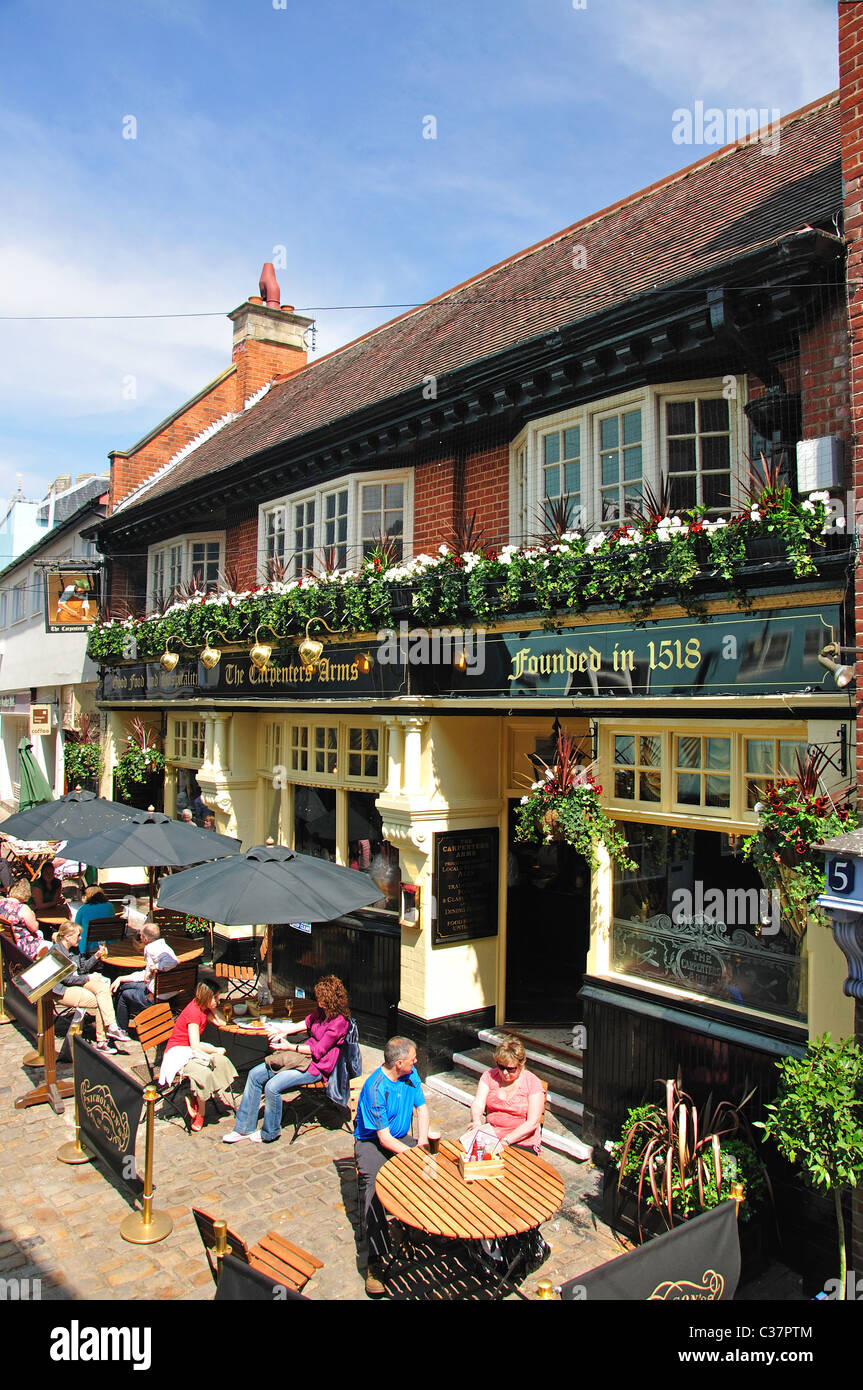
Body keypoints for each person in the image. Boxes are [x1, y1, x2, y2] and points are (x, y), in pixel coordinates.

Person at [223, 975, 351, 1145]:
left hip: (316, 1067)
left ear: (331, 1000)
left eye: (322, 999)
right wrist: (284, 1030)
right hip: (301, 1057)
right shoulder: (321, 1012)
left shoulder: (339, 1022)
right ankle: (243, 1128)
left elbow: (319, 1050)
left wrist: (289, 1046)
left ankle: (270, 1131)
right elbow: (306, 1023)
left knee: (272, 1086)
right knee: (254, 1075)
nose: (318, 1002)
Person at [354, 1036, 429, 1296]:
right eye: (412, 1059)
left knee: (432, 1173)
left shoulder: (412, 1074)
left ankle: (415, 1225)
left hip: (401, 1139)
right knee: (373, 1190)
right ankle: (375, 1260)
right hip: (373, 1142)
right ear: (399, 1063)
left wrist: (421, 1144)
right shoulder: (376, 1088)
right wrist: (414, 1155)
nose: (416, 1062)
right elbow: (384, 1138)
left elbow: (422, 1108)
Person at [158, 982, 238, 1132]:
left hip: (190, 1051)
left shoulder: (203, 1008)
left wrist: (213, 1008)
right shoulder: (193, 1012)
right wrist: (214, 1049)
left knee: (222, 1062)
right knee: (204, 1073)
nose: (218, 1001)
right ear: (206, 997)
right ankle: (201, 1112)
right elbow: (195, 1045)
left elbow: (222, 1022)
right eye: (215, 998)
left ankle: (195, 1097)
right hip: (178, 1053)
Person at [52, 920, 127, 1053]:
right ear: (68, 937)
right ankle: (102, 1041)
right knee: (100, 1001)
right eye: (78, 935)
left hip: (78, 981)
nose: (80, 938)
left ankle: (112, 1026)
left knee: (102, 989)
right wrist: (88, 978)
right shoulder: (56, 952)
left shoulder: (74, 949)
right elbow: (67, 979)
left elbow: (82, 968)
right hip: (62, 989)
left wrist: (96, 956)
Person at [468, 1038, 544, 1154]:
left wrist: (506, 1141)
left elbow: (532, 1122)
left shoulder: (532, 1082)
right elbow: (478, 1102)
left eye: (510, 1069)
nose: (504, 1073)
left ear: (521, 1065)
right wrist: (477, 1120)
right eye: (501, 1067)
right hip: (491, 1137)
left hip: (521, 1141)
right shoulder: (489, 1076)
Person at [110, 920, 180, 1031]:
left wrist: (154, 967)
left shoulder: (151, 948)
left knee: (123, 994)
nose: (139, 938)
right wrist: (121, 978)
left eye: (140, 936)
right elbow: (146, 974)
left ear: (146, 939)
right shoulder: (165, 947)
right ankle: (116, 1022)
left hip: (155, 997)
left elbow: (172, 962)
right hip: (166, 992)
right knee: (123, 985)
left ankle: (120, 1029)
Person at [0, 880, 48, 960]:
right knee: (46, 941)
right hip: (21, 946)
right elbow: (34, 928)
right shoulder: (22, 909)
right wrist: (32, 914)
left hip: (5, 942)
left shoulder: (1, 902)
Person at [74, 886, 118, 954]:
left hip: (90, 946)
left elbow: (76, 926)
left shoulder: (83, 909)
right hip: (109, 943)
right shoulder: (110, 906)